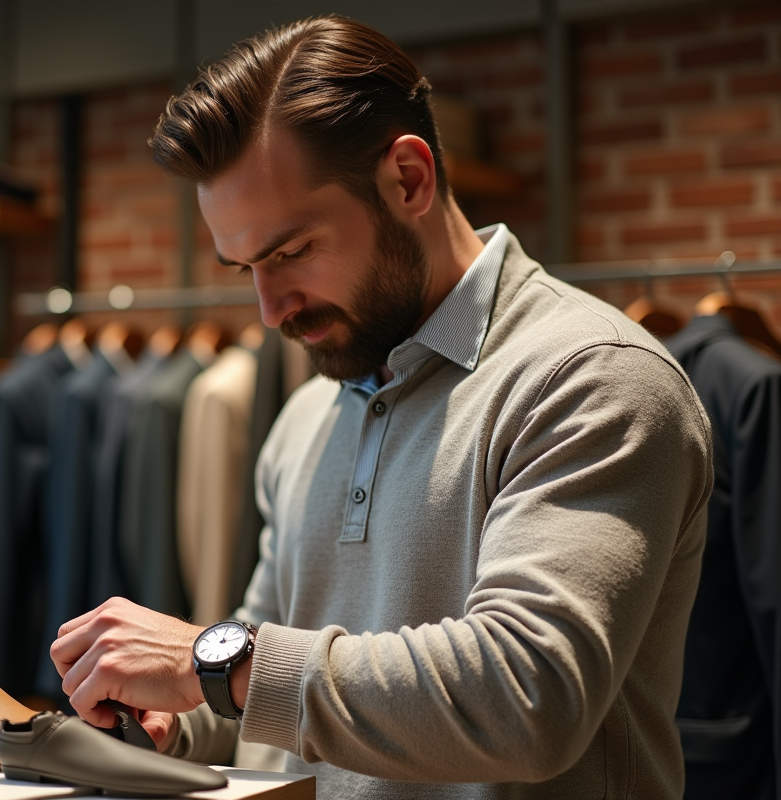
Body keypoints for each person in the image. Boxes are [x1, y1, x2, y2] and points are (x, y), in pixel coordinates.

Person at [50, 16, 713, 799]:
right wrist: (177, 721)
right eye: (243, 268)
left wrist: (215, 661)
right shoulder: (306, 416)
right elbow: (264, 693)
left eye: (291, 251)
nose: (268, 310)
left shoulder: (590, 378)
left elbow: (528, 697)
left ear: (408, 180)